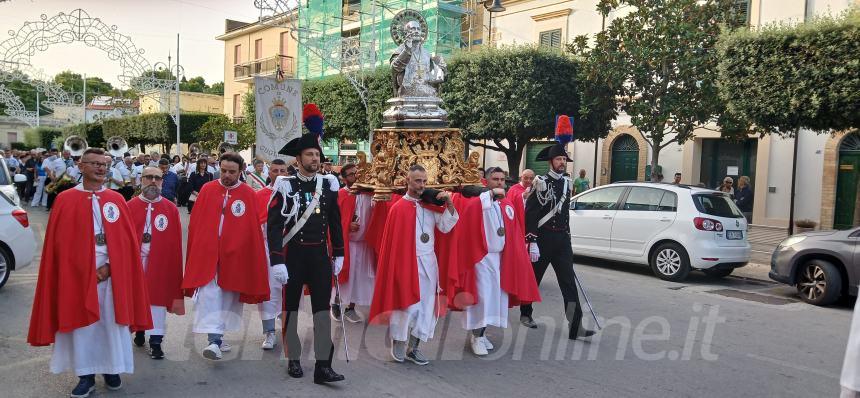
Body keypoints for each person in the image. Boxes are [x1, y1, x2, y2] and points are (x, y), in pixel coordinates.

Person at [28, 148, 152, 398]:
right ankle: (85, 376)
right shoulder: (65, 199)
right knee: (83, 326)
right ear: (81, 166)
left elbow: (127, 244)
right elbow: (59, 247)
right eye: (94, 164)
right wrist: (84, 271)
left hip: (113, 277)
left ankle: (111, 370)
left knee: (110, 323)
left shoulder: (117, 200)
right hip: (76, 276)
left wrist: (111, 268)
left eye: (104, 164)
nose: (100, 168)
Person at [266, 133, 345, 384]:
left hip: (320, 256)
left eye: (317, 154)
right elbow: (274, 226)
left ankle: (323, 366)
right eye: (309, 154)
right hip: (294, 257)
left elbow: (335, 223)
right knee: (291, 310)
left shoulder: (329, 184)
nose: (314, 158)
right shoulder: (285, 185)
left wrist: (339, 253)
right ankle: (294, 358)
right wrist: (277, 259)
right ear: (298, 159)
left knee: (322, 311)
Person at [182, 152, 269, 361]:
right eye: (223, 171)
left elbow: (251, 230)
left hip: (235, 256)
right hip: (208, 255)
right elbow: (197, 223)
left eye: (231, 172)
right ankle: (214, 340)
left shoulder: (248, 193)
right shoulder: (207, 189)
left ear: (240, 172)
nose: (226, 175)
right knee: (210, 295)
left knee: (227, 298)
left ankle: (218, 336)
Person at [369, 164, 459, 366]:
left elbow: (445, 227)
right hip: (405, 264)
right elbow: (392, 246)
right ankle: (399, 342)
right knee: (406, 306)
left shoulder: (430, 205)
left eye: (425, 181)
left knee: (426, 308)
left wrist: (449, 204)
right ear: (406, 181)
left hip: (428, 263)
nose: (422, 185)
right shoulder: (398, 208)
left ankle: (414, 347)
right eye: (418, 180)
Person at [453, 167, 541, 356]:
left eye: (502, 179)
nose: (500, 182)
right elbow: (478, 206)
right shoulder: (478, 203)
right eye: (495, 179)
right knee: (483, 299)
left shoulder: (506, 204)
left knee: (495, 300)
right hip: (482, 258)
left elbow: (514, 230)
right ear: (486, 182)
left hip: (501, 258)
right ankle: (476, 336)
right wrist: (490, 195)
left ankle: (482, 334)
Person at [519, 142, 596, 340]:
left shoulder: (567, 182)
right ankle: (526, 313)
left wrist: (567, 236)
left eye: (564, 159)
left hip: (562, 240)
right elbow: (532, 213)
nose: (562, 163)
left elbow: (565, 214)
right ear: (551, 162)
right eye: (558, 159)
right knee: (534, 279)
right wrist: (532, 240)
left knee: (568, 282)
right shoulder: (540, 182)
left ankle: (575, 326)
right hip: (543, 239)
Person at [127, 166, 185, 360]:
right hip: (135, 262)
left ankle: (156, 342)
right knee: (136, 298)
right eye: (149, 177)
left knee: (157, 301)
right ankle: (140, 330)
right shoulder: (129, 206)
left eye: (157, 178)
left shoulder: (170, 209)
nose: (153, 181)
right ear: (141, 179)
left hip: (160, 263)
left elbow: (175, 242)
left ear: (162, 182)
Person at [331, 163, 376, 324]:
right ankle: (336, 304)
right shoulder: (340, 195)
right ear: (343, 178)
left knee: (358, 278)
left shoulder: (369, 194)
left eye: (357, 173)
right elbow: (334, 222)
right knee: (344, 276)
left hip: (364, 244)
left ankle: (351, 308)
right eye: (351, 174)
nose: (355, 176)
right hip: (347, 244)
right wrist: (347, 225)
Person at [254, 158, 288, 351]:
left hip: (291, 250)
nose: (279, 173)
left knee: (289, 290)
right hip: (267, 250)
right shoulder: (260, 196)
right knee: (268, 293)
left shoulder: (296, 193)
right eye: (275, 170)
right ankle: (269, 332)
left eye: (283, 170)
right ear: (270, 173)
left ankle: (287, 327)